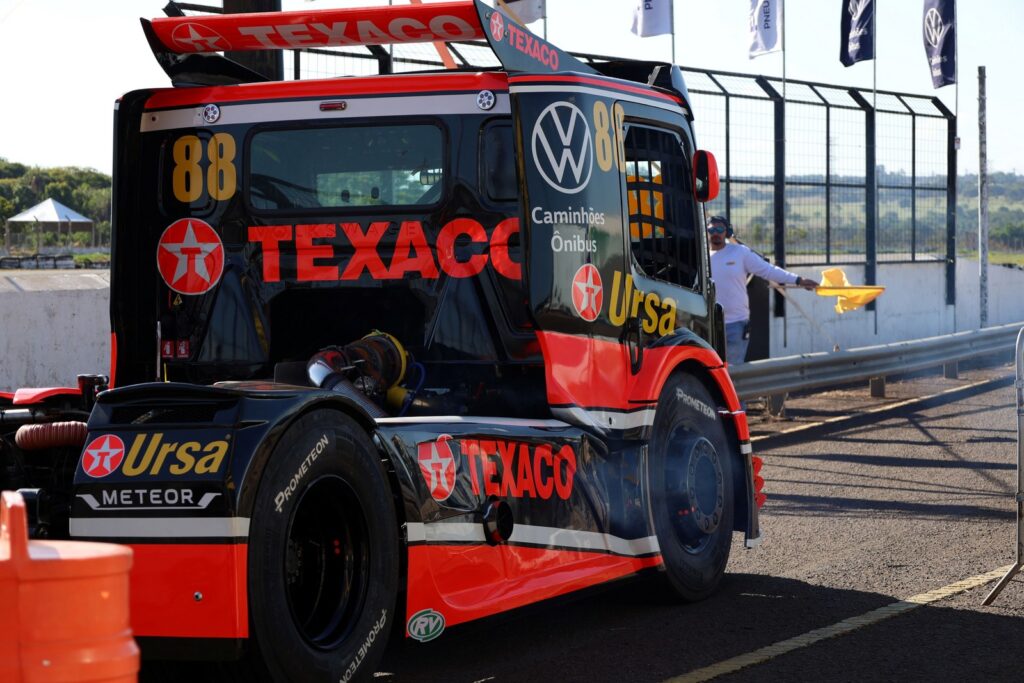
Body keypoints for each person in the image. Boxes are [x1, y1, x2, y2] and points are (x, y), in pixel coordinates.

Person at [706, 215, 818, 365]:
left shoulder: (740, 252)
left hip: (736, 325)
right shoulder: (702, 257)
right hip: (708, 325)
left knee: (732, 372)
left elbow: (768, 270)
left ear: (727, 231)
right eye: (711, 229)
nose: (715, 233)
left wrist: (799, 280)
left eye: (719, 229)